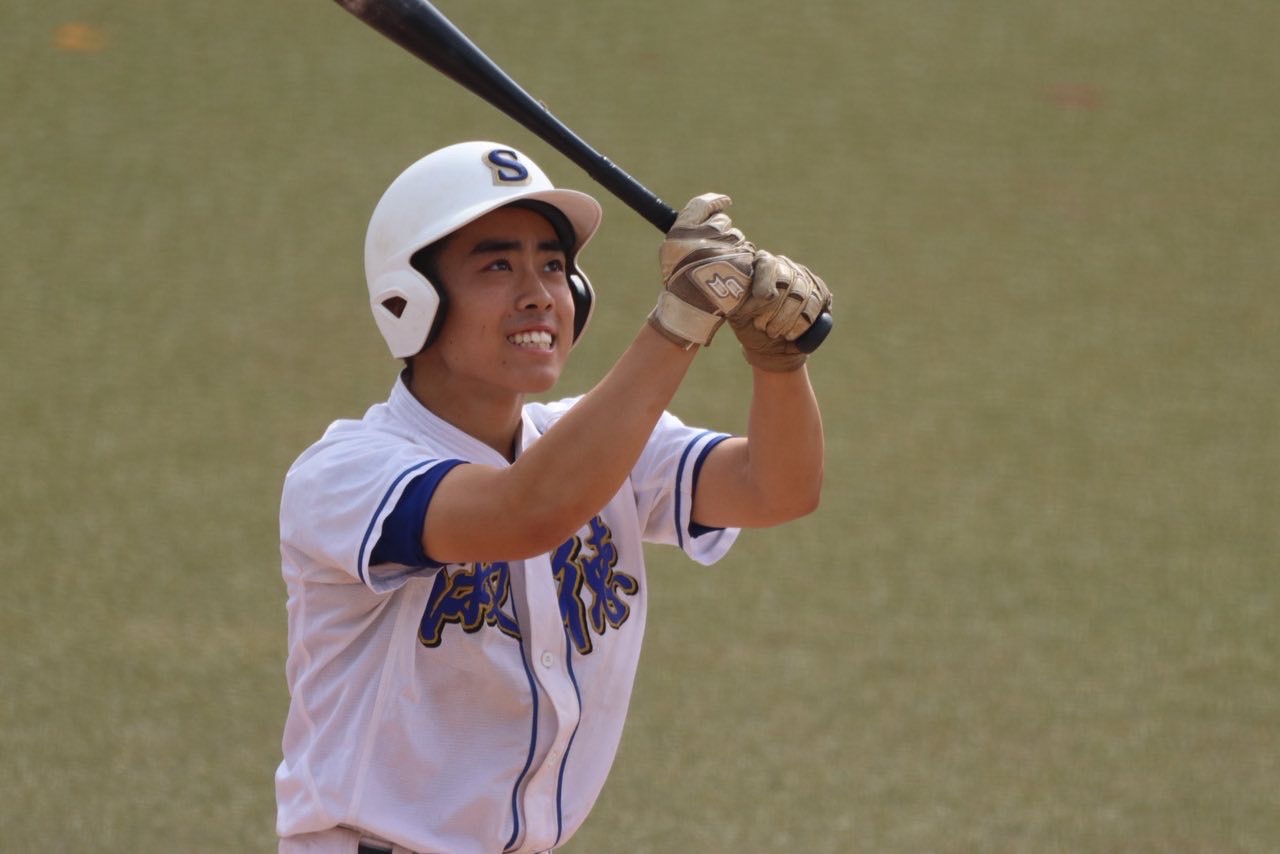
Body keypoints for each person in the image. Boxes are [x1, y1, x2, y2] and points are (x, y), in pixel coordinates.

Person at [275, 141, 832, 854]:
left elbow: (777, 487)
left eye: (553, 266)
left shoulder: (594, 443)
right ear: (409, 299)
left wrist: (777, 361)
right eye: (497, 266)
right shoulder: (346, 475)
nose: (539, 293)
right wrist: (681, 323)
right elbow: (526, 511)